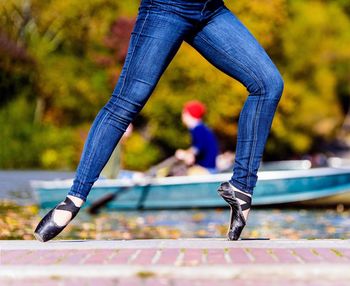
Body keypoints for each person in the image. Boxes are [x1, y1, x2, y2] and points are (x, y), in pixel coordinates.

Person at [34, 0, 283, 242]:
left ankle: (241, 187)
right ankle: (74, 199)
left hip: (211, 11)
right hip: (166, 8)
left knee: (268, 84)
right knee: (126, 102)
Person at [175, 100, 219, 174]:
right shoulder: (202, 129)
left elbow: (199, 147)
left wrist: (185, 154)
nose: (182, 115)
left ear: (189, 114)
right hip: (209, 169)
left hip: (206, 170)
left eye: (184, 113)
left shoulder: (198, 129)